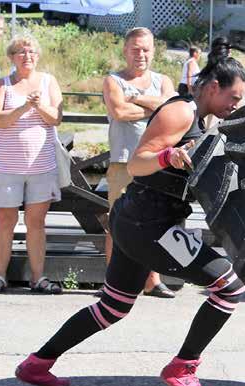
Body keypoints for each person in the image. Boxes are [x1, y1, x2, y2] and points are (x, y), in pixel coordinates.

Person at [15, 44, 245, 386]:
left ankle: (37, 363)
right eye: (232, 97)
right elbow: (138, 164)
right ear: (213, 86)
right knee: (228, 288)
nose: (235, 104)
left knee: (113, 307)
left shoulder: (202, 118)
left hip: (139, 219)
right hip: (148, 223)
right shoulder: (180, 113)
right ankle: (183, 368)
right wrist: (166, 155)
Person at [0, 34, 63, 294]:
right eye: (21, 52)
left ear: (37, 56)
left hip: (42, 165)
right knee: (5, 220)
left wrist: (39, 106)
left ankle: (38, 278)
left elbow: (56, 119)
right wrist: (22, 109)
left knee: (36, 222)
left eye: (31, 52)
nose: (27, 56)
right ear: (11, 57)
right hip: (7, 165)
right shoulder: (2, 84)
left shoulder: (49, 82)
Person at [102, 27, 177, 298]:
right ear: (125, 50)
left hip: (158, 163)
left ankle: (152, 281)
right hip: (123, 162)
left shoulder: (163, 80)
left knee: (155, 222)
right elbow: (119, 111)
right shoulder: (113, 80)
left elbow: (171, 106)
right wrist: (153, 108)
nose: (140, 54)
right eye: (135, 49)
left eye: (145, 49)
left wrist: (136, 98)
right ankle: (114, 283)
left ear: (153, 51)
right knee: (118, 223)